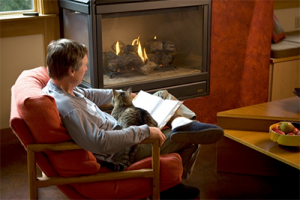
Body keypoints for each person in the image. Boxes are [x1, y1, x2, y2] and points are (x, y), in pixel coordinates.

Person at [42, 39, 224, 199]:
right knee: (190, 139)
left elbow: (91, 94)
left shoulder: (63, 88)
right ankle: (169, 187)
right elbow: (99, 142)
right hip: (124, 150)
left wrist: (127, 96)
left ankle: (182, 123)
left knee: (163, 94)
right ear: (71, 70)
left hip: (123, 130)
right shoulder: (69, 108)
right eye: (84, 65)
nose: (87, 68)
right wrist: (144, 131)